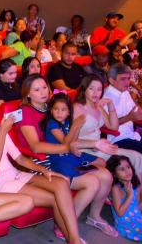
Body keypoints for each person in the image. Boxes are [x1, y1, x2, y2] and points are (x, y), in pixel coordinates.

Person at [0, 96, 86, 244]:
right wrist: (2, 132)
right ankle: (73, 240)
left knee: (61, 184)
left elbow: (19, 158)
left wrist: (44, 170)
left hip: (15, 174)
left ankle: (73, 238)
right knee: (56, 199)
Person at [73, 74, 142, 216]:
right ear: (84, 89)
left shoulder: (98, 107)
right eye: (91, 89)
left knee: (141, 159)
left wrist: (110, 106)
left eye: (99, 89)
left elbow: (113, 126)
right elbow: (71, 142)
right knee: (130, 161)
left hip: (102, 148)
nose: (95, 93)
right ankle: (138, 207)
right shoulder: (77, 108)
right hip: (85, 151)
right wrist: (96, 143)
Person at [41, 93, 118, 237]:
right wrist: (76, 125)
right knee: (93, 182)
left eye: (63, 110)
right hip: (61, 161)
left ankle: (94, 216)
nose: (59, 113)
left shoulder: (68, 122)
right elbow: (65, 142)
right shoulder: (52, 124)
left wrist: (90, 143)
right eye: (56, 109)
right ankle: (64, 224)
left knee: (105, 172)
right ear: (51, 111)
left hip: (72, 157)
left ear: (69, 111)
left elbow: (73, 143)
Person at [102, 63, 142, 186]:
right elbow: (107, 126)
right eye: (123, 79)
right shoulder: (106, 97)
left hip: (131, 135)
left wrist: (140, 111)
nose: (127, 82)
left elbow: (134, 108)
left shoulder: (124, 92)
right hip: (117, 139)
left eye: (128, 78)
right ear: (111, 80)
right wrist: (130, 117)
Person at [107, 155, 142, 241]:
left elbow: (138, 208)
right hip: (127, 224)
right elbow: (119, 213)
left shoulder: (134, 185)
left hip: (138, 217)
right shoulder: (116, 188)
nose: (127, 171)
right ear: (115, 174)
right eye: (122, 169)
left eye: (128, 167)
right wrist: (130, 195)